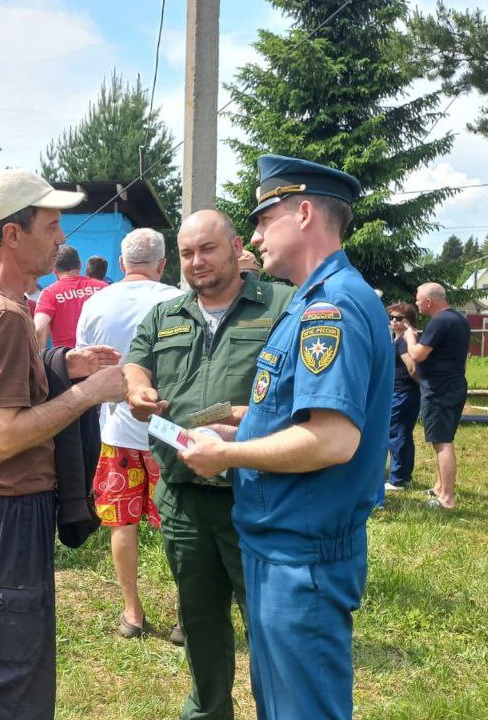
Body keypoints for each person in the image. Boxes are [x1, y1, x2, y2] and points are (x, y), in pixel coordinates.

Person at [178, 155, 392, 720]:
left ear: (301, 213)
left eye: (262, 218)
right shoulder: (308, 300)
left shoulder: (333, 307)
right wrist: (245, 425)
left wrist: (227, 452)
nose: (253, 236)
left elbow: (332, 439)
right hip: (281, 549)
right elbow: (293, 412)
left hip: (304, 557)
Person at [0, 168, 124, 720]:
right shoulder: (3, 314)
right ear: (12, 234)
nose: (62, 239)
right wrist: (89, 392)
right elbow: (3, 434)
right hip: (7, 511)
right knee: (11, 679)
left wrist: (56, 365)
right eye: (51, 225)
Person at [124, 209, 293, 719]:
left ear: (236, 246)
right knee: (198, 617)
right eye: (187, 253)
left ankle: (281, 709)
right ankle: (209, 709)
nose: (197, 262)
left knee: (269, 621)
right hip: (183, 498)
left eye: (208, 249)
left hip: (257, 496)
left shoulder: (282, 305)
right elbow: (136, 359)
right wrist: (138, 388)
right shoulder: (166, 314)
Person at [75, 228, 183, 639]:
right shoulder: (176, 299)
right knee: (177, 524)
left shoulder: (96, 302)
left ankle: (132, 613)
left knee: (123, 523)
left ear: (121, 264)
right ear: (163, 264)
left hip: (116, 430)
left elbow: (86, 363)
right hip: (166, 430)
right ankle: (184, 615)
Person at [403, 283, 470, 510]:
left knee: (442, 442)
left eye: (418, 300)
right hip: (453, 386)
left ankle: (447, 498)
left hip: (439, 390)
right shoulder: (457, 319)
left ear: (430, 302)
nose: (417, 303)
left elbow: (418, 354)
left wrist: (409, 338)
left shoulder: (439, 321)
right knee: (443, 439)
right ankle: (440, 486)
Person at [34, 244, 107, 348]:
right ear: (80, 265)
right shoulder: (103, 287)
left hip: (67, 358)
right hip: (101, 356)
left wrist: (40, 357)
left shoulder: (50, 293)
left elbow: (38, 329)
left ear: (54, 269)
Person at [383, 302, 421, 494]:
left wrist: (421, 385)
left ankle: (397, 479)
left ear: (409, 321)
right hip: (404, 393)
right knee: (404, 435)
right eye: (391, 318)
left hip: (403, 393)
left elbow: (412, 368)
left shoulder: (404, 342)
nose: (394, 321)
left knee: (396, 434)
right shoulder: (401, 339)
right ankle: (405, 476)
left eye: (399, 318)